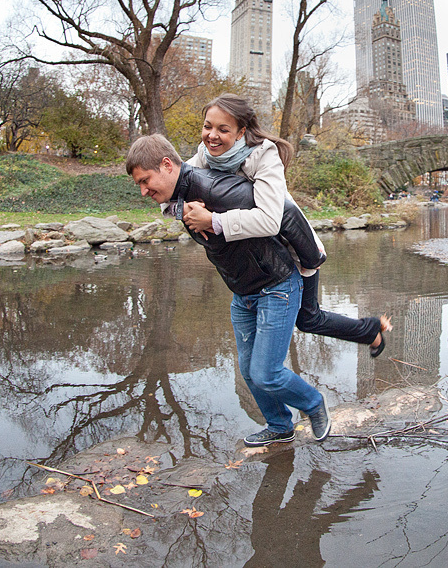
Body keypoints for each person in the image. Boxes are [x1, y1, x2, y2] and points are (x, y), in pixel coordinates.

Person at [126, 134, 330, 447]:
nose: (143, 191)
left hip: (277, 285)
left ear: (167, 165)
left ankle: (313, 403)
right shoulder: (180, 195)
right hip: (243, 292)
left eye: (145, 180)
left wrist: (311, 264)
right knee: (249, 371)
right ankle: (279, 425)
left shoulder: (216, 188)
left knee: (267, 373)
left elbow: (284, 214)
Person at [180, 93, 390, 356]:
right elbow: (175, 184)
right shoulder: (203, 157)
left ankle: (370, 332)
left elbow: (271, 219)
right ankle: (370, 330)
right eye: (207, 126)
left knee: (309, 319)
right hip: (263, 258)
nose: (212, 135)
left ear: (240, 132)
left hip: (296, 249)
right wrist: (189, 208)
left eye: (223, 129)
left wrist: (213, 220)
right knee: (308, 320)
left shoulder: (262, 156)